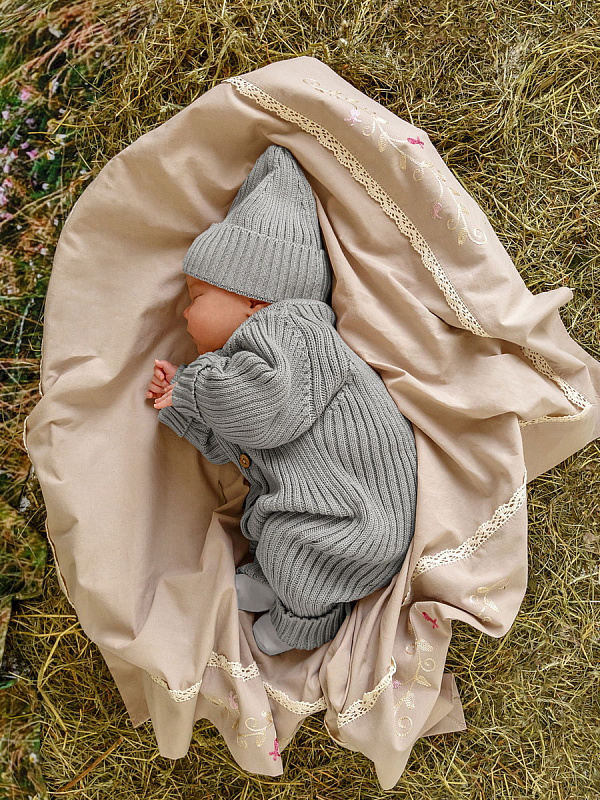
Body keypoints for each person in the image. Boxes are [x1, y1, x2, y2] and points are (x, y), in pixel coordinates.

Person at [146, 145, 418, 656]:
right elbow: (240, 445)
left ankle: (305, 623)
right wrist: (183, 406)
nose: (184, 314)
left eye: (196, 298)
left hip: (355, 520)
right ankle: (277, 584)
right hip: (320, 505)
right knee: (276, 535)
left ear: (254, 300)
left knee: (296, 551)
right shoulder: (252, 358)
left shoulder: (293, 330)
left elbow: (266, 412)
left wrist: (194, 387)